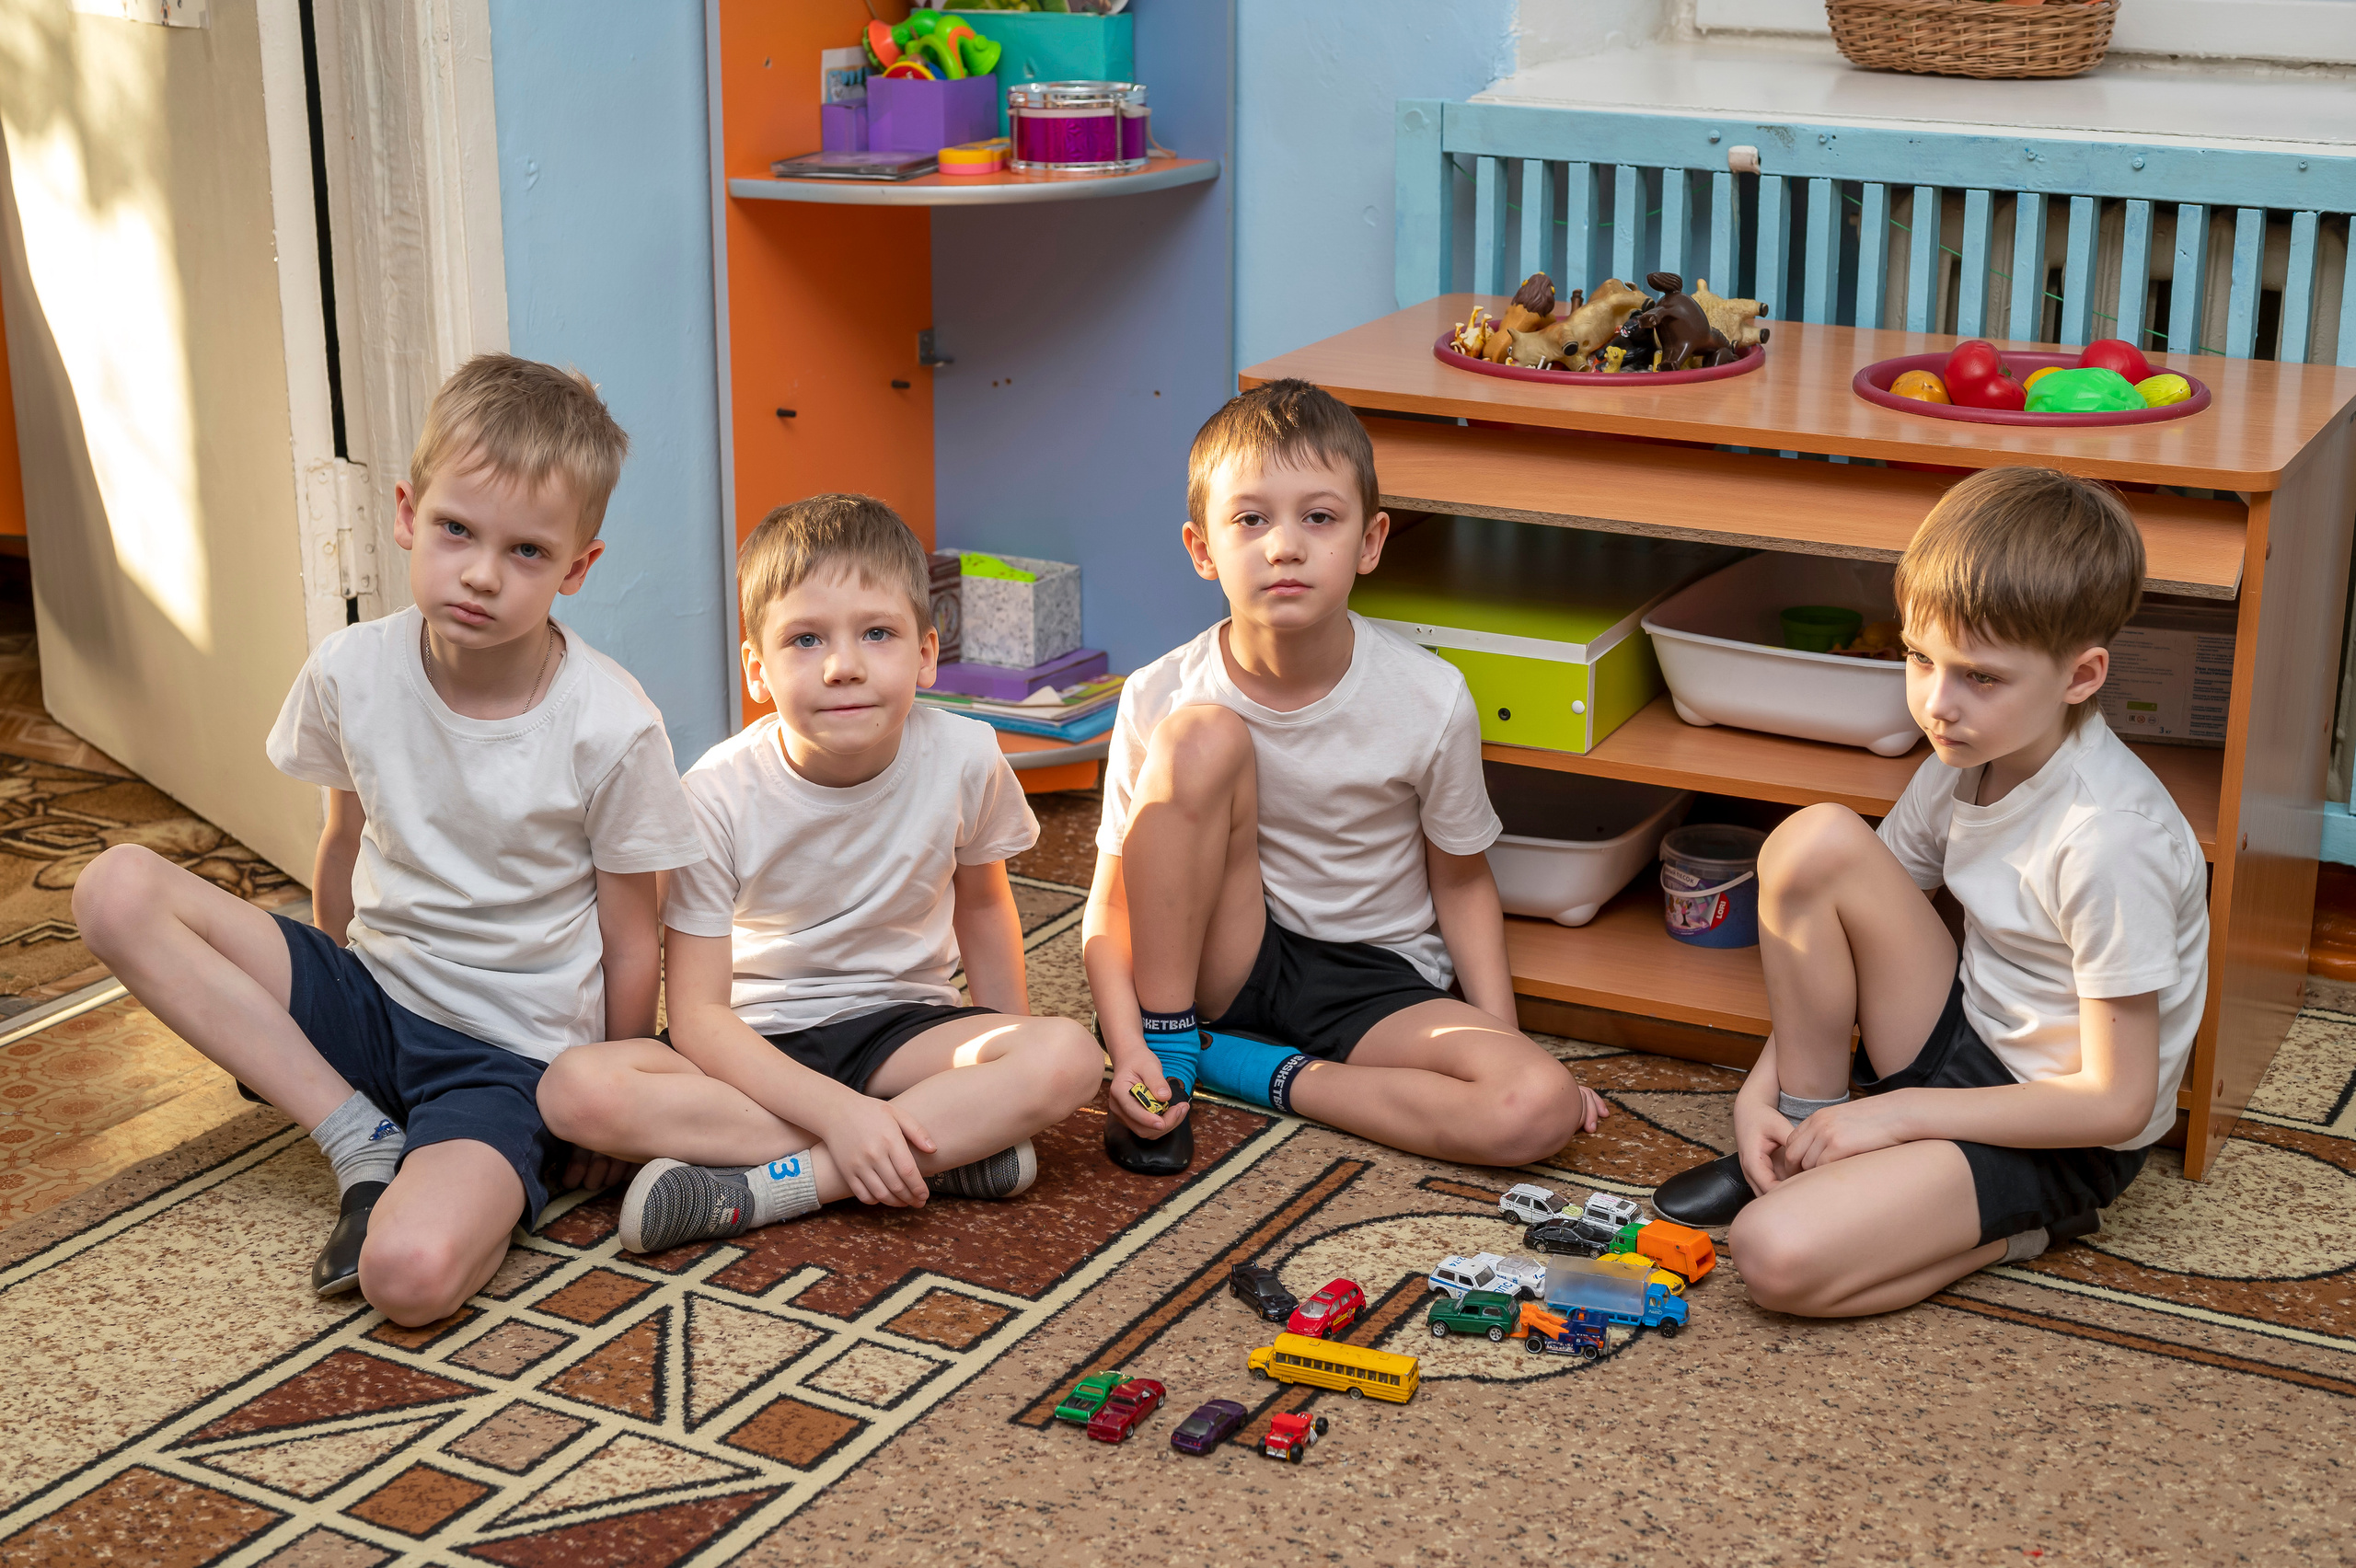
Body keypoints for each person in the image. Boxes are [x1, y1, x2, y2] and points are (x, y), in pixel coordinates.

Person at [73, 354, 704, 1324]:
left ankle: (449, 1159)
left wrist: (610, 1101)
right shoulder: (349, 671)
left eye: (528, 552)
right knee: (115, 887)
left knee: (405, 1279)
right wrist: (323, 995)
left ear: (578, 567)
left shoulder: (610, 726)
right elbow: (342, 845)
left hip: (505, 1055)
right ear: (408, 513)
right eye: (456, 530)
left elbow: (633, 935)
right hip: (369, 995)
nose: (482, 573)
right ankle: (354, 1133)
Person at [1652, 467, 2207, 1317]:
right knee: (1813, 842)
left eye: (1980, 677)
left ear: (2082, 676)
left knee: (1772, 1257)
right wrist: (1761, 1095)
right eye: (1920, 659)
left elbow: (2120, 1099)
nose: (1936, 706)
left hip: (2063, 1130)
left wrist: (1901, 1116)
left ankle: (2027, 1226)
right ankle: (1812, 1130)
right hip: (1966, 1033)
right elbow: (1839, 911)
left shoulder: (2109, 840)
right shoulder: (1966, 756)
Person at [537, 495, 1102, 1253]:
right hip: (758, 1044)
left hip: (906, 1029)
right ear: (758, 670)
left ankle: (770, 1189)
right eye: (805, 639)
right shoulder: (714, 796)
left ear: (927, 653)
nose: (843, 666)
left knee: (1064, 1056)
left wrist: (1007, 1051)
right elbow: (701, 1016)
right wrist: (844, 1114)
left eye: (878, 633)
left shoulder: (968, 757)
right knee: (575, 1089)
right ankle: (938, 1146)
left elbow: (985, 910)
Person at [1082, 378, 1610, 1177]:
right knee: (1199, 736)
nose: (1284, 545)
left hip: (1374, 981)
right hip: (1223, 956)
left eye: (1318, 517)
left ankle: (1246, 1067)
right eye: (1250, 519)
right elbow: (1113, 903)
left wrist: (1504, 1039)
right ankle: (1172, 1044)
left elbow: (1462, 883)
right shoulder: (1158, 692)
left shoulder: (1430, 697)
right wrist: (1127, 1049)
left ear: (1371, 542)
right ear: (1202, 549)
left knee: (1535, 1107)